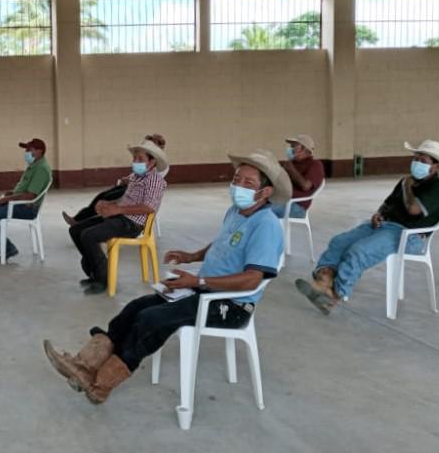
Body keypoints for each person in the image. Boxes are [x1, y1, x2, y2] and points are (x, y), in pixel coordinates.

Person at [43, 149, 290, 404]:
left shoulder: (266, 225)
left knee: (151, 319)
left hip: (230, 305)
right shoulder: (236, 212)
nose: (238, 186)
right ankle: (84, 365)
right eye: (236, 179)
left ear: (265, 192)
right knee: (134, 308)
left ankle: (100, 386)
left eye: (248, 183)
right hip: (202, 289)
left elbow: (252, 279)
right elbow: (222, 244)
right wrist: (192, 257)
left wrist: (197, 281)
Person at [296, 140, 439, 315]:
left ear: (436, 167)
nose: (417, 163)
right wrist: (378, 214)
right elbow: (387, 204)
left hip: (409, 235)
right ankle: (323, 282)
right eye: (415, 159)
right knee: (339, 242)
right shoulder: (404, 181)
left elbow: (413, 210)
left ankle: (333, 296)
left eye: (423, 161)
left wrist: (409, 188)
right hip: (385, 225)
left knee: (359, 251)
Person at [69, 139, 167, 295]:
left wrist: (118, 209)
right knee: (75, 230)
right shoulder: (135, 176)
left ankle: (103, 279)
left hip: (132, 224)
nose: (135, 161)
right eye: (134, 158)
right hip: (120, 216)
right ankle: (95, 270)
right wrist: (108, 204)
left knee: (89, 235)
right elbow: (125, 200)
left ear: (152, 162)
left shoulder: (155, 180)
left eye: (140, 159)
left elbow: (149, 207)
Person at [62, 134, 168, 226]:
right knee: (102, 195)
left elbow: (150, 186)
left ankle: (85, 220)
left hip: (138, 193)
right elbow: (136, 175)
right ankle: (81, 219)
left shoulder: (159, 167)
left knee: (108, 198)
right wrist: (128, 179)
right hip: (130, 186)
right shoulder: (143, 159)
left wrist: (131, 182)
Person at [0, 138, 52, 263]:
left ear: (40, 151)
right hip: (17, 202)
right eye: (26, 150)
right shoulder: (34, 165)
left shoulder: (41, 169)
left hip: (26, 208)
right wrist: (11, 194)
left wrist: (6, 199)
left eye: (30, 150)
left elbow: (30, 196)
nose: (27, 153)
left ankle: (8, 248)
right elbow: (24, 188)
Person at [270, 134, 325, 219]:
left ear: (302, 149)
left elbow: (306, 186)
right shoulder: (292, 163)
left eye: (293, 146)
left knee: (262, 211)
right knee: (254, 206)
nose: (290, 149)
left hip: (296, 206)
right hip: (280, 200)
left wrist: (291, 170)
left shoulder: (315, 165)